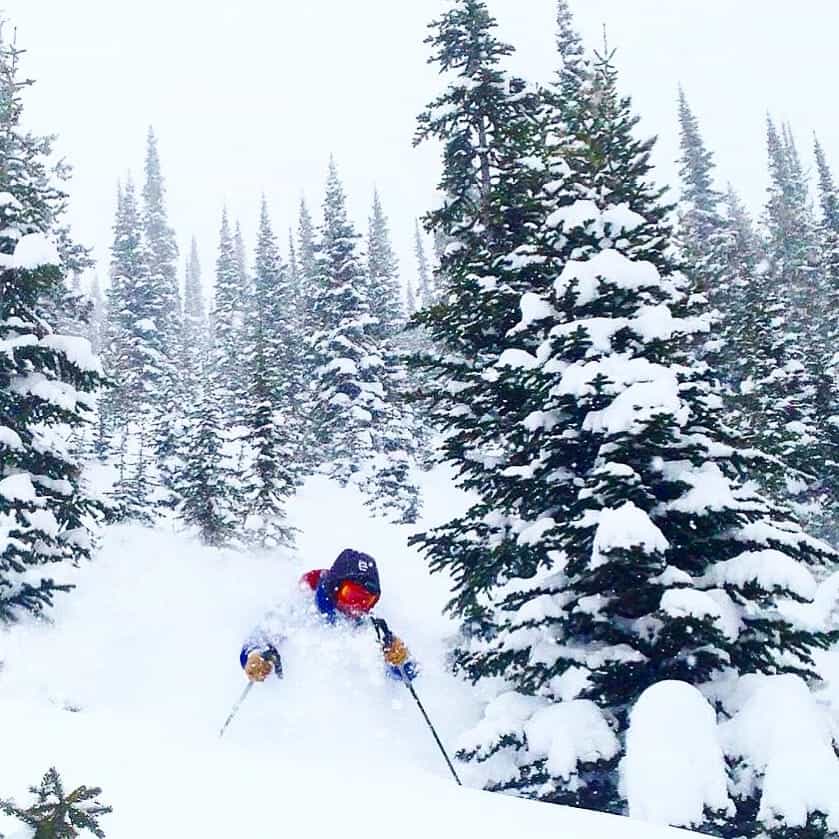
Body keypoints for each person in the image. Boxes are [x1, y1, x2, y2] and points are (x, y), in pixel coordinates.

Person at [240, 548, 419, 684]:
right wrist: (255, 657)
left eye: (366, 600)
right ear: (334, 587)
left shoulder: (372, 626)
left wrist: (402, 659)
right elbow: (257, 638)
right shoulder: (301, 604)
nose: (356, 607)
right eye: (351, 595)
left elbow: (405, 675)